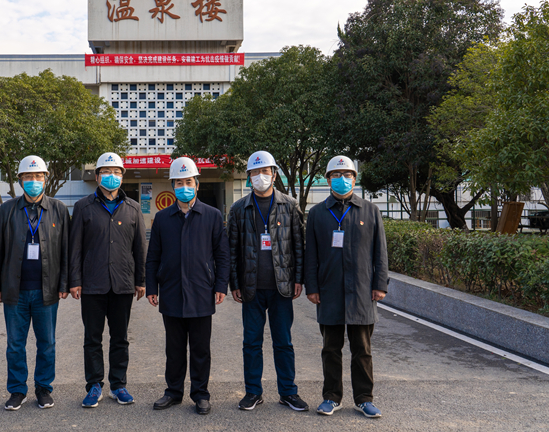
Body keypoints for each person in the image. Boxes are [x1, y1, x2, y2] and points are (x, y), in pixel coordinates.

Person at [304, 155, 389, 419]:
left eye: (348, 175)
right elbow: (311, 255)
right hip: (329, 291)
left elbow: (380, 252)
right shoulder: (317, 213)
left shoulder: (370, 211)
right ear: (328, 180)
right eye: (336, 175)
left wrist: (380, 284)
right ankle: (331, 397)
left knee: (362, 350)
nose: (342, 179)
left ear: (355, 178)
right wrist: (312, 287)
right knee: (330, 349)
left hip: (362, 291)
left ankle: (364, 399)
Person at [145, 157, 230, 416]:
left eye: (189, 182)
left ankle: (200, 394)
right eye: (179, 183)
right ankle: (173, 392)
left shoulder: (212, 216)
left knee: (201, 349)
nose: (184, 187)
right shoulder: (162, 218)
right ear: (173, 186)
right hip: (171, 292)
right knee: (174, 349)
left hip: (202, 291)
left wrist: (221, 285)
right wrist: (152, 288)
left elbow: (222, 255)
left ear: (197, 184)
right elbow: (153, 257)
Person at [228, 151, 308, 412]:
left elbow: (299, 246)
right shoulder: (239, 209)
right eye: (255, 172)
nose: (260, 176)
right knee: (251, 343)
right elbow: (232, 250)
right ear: (249, 176)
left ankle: (288, 392)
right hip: (250, 287)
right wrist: (234, 283)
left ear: (274, 174)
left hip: (281, 287)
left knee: (283, 342)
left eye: (265, 171)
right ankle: (253, 392)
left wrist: (299, 279)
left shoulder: (290, 205)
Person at [0, 156, 70, 411]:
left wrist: (64, 284)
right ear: (20, 180)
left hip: (48, 290)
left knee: (47, 343)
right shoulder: (8, 210)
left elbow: (66, 250)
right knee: (15, 345)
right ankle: (17, 390)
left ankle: (44, 388)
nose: (33, 181)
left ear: (45, 179)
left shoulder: (58, 209)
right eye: (28, 177)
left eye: (38, 176)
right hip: (15, 291)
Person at [69, 152, 146, 408]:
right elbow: (75, 247)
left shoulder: (133, 208)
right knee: (92, 338)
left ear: (122, 176)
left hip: (123, 283)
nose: (111, 176)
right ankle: (94, 385)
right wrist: (75, 280)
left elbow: (140, 248)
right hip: (92, 284)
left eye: (116, 172)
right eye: (106, 172)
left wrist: (141, 280)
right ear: (97, 176)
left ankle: (118, 385)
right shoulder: (83, 207)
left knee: (120, 337)